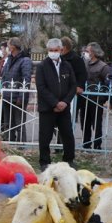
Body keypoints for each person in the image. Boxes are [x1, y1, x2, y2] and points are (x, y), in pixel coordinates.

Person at [36, 38, 76, 170]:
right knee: (45, 136)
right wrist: (55, 103)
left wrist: (65, 102)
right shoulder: (42, 66)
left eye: (56, 50)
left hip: (64, 108)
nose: (53, 53)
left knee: (68, 135)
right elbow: (41, 87)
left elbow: (73, 86)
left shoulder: (67, 65)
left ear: (61, 50)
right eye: (51, 50)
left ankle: (69, 160)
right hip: (47, 108)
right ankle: (44, 162)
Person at [0, 38, 33, 143]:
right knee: (8, 123)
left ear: (13, 47)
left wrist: (22, 96)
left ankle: (21, 145)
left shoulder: (25, 60)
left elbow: (26, 79)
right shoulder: (9, 59)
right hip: (7, 96)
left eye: (8, 46)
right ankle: (9, 141)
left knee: (19, 123)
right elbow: (4, 75)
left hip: (18, 97)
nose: (6, 48)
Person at [80, 43, 110, 150]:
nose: (86, 53)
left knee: (96, 124)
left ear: (93, 52)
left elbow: (108, 84)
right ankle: (86, 144)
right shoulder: (84, 64)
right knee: (84, 123)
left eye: (88, 51)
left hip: (96, 100)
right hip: (84, 100)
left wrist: (102, 99)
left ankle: (97, 145)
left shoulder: (103, 67)